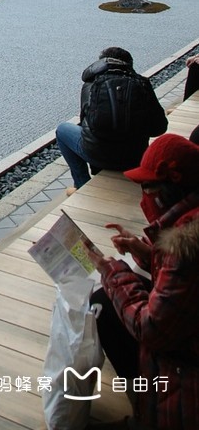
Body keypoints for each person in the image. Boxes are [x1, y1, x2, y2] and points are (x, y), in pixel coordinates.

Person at [83, 133, 199, 430]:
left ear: (172, 186)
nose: (144, 196)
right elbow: (183, 285)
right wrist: (147, 253)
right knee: (105, 301)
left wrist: (112, 272)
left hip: (188, 385)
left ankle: (149, 414)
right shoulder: (189, 222)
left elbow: (151, 328)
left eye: (147, 187)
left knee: (107, 299)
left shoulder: (187, 245)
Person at [56, 47, 168, 192]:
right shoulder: (141, 84)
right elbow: (159, 128)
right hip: (136, 157)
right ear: (129, 64)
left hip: (98, 157)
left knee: (62, 130)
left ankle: (81, 184)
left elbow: (87, 124)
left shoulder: (90, 84)